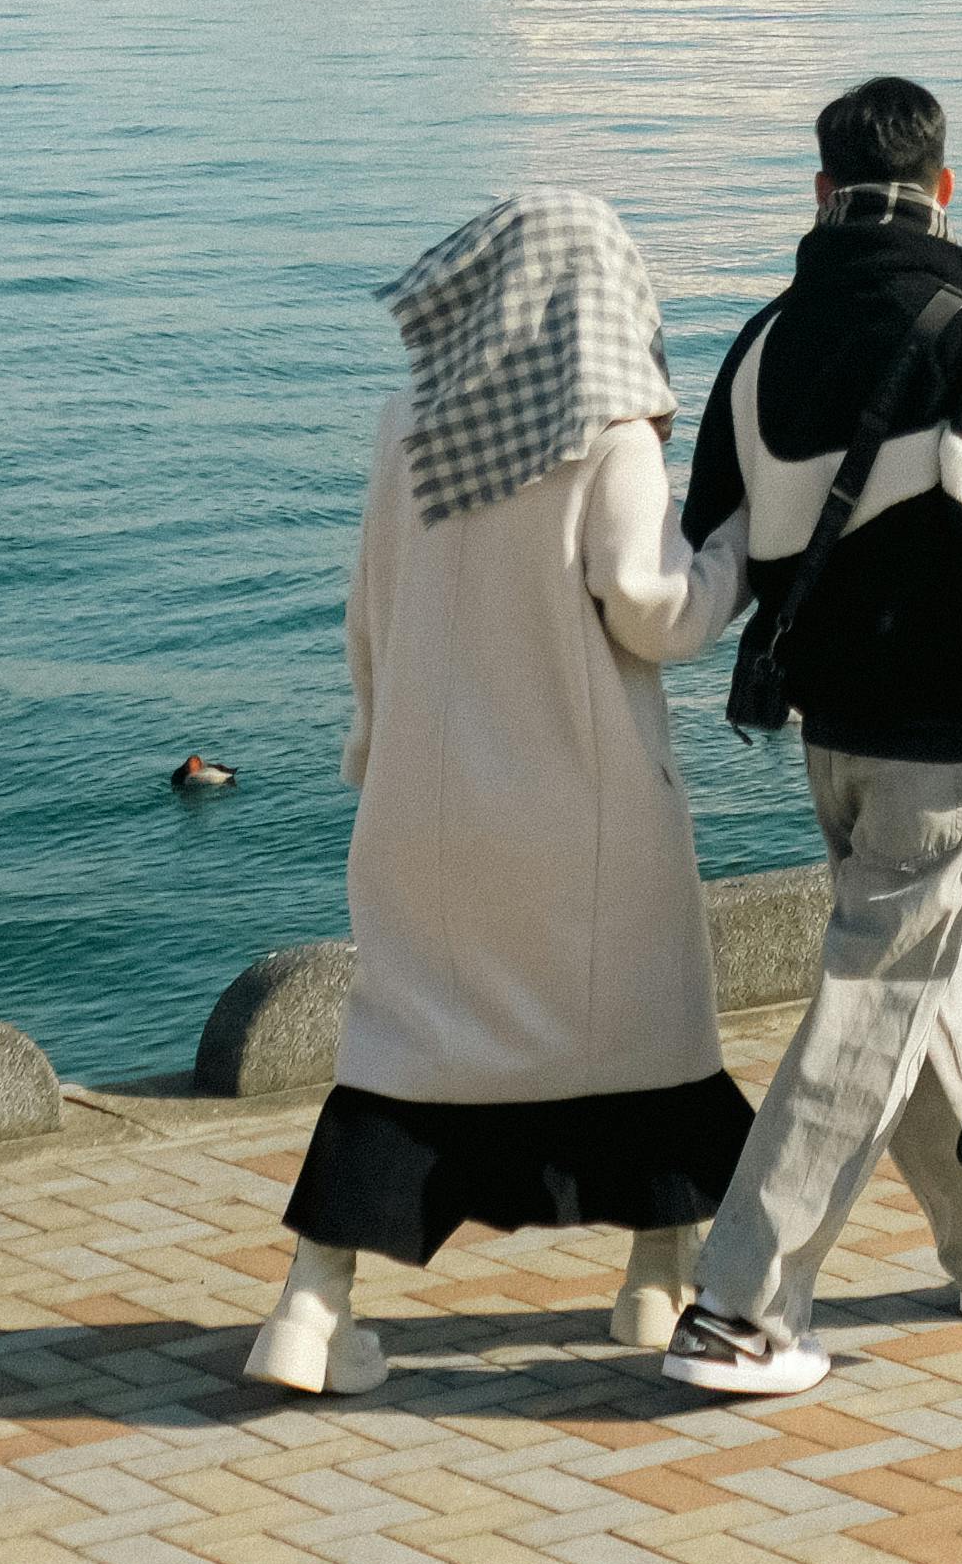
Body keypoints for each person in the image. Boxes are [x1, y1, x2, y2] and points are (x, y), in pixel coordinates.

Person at [241, 188, 755, 1402]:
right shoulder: (604, 432)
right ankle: (654, 1277)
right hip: (580, 814)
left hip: (423, 811)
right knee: (649, 1038)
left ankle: (310, 1310)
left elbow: (368, 608)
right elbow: (653, 605)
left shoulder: (409, 420)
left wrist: (373, 749)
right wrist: (738, 557)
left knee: (410, 1061)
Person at [658, 75, 962, 1403]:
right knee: (870, 1010)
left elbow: (713, 549)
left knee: (928, 982)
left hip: (828, 737)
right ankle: (739, 1310)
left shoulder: (760, 345)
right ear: (945, 190)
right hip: (934, 742)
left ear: (819, 193)